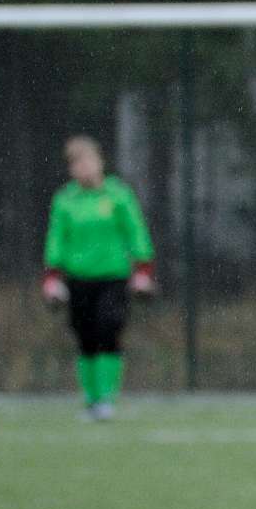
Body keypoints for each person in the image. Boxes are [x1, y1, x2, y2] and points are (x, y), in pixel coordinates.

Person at [41, 135, 156, 421]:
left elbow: (136, 231)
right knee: (85, 337)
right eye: (77, 163)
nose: (84, 168)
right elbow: (56, 238)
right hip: (78, 278)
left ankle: (106, 399)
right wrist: (52, 276)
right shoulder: (66, 200)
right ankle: (91, 400)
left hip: (113, 277)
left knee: (108, 329)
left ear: (100, 162)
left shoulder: (118, 195)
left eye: (88, 161)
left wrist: (143, 270)